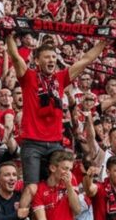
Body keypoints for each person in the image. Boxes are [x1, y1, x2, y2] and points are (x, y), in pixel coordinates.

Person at [6, 32, 105, 208]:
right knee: (32, 189)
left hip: (55, 144)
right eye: (47, 57)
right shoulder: (28, 77)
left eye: (53, 57)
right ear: (37, 60)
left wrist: (104, 42)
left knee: (60, 186)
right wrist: (8, 36)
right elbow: (14, 56)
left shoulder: (60, 78)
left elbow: (86, 60)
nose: (51, 60)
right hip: (32, 144)